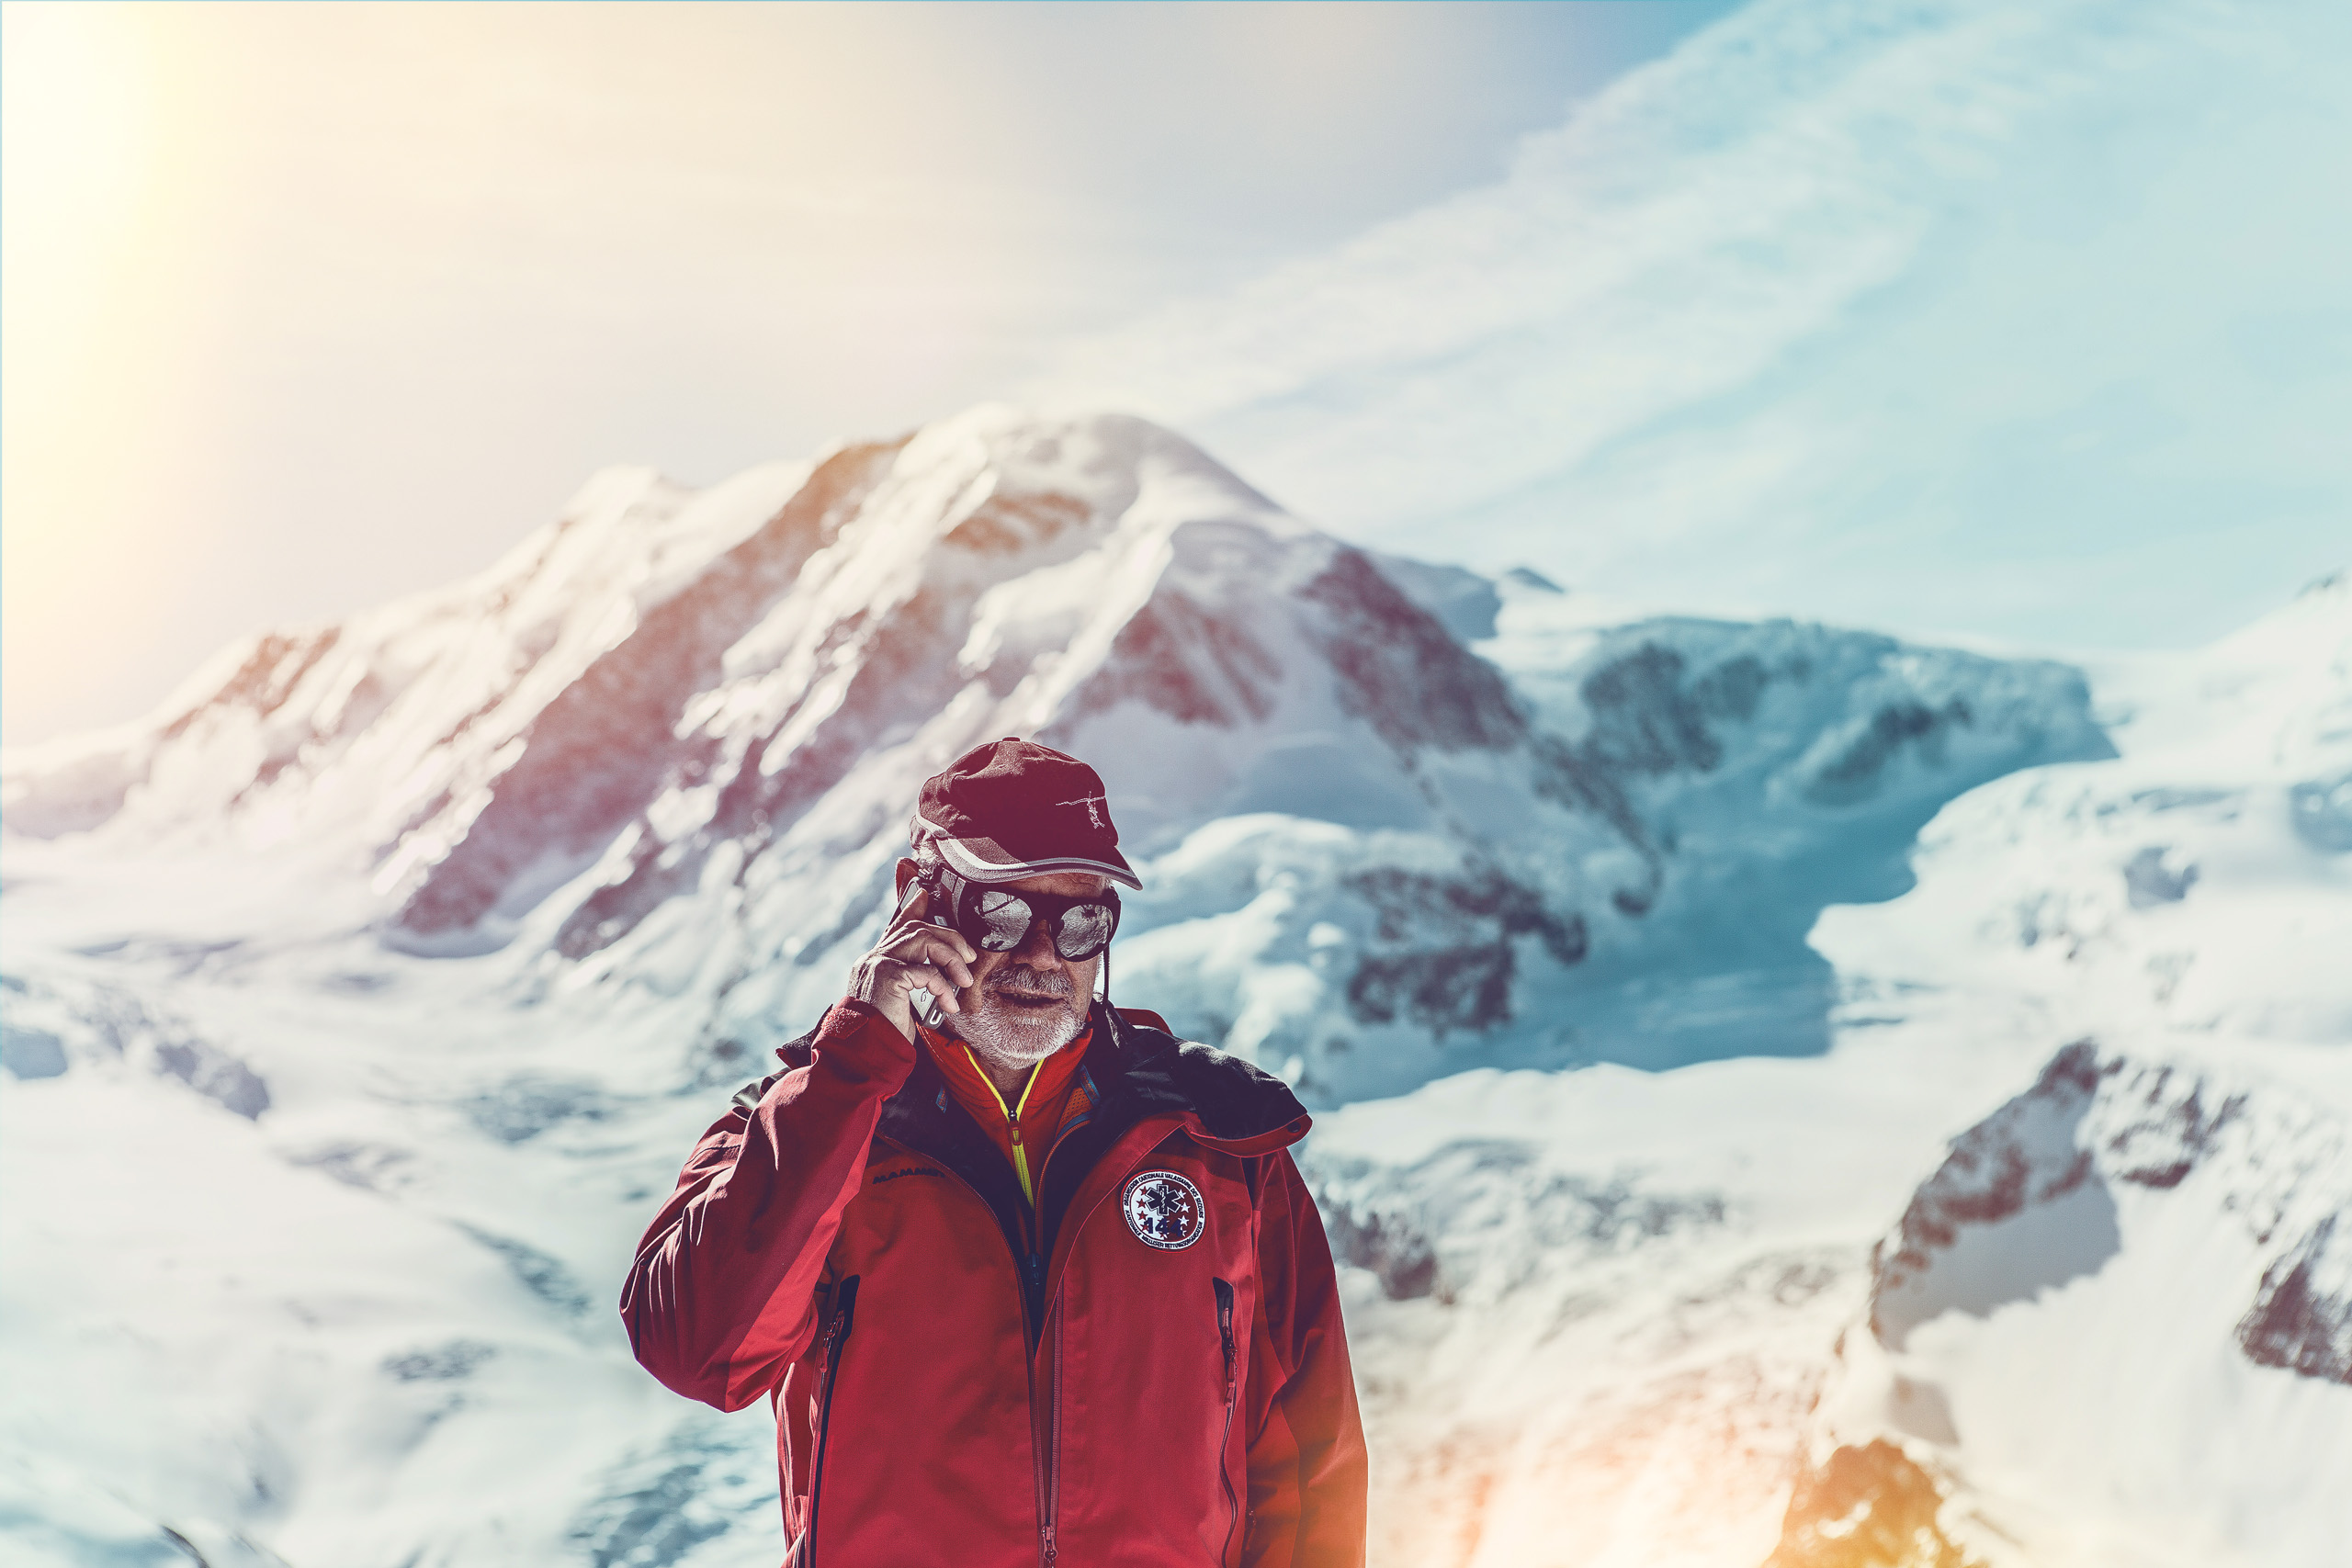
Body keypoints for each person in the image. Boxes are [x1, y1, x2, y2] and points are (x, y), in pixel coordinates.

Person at [621, 738, 1368, 1567]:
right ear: (918, 898)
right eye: (1004, 912)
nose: (1045, 952)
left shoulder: (1224, 1138)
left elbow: (1307, 1462)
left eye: (1083, 920)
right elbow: (699, 1350)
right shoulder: (807, 1123)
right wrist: (855, 1062)